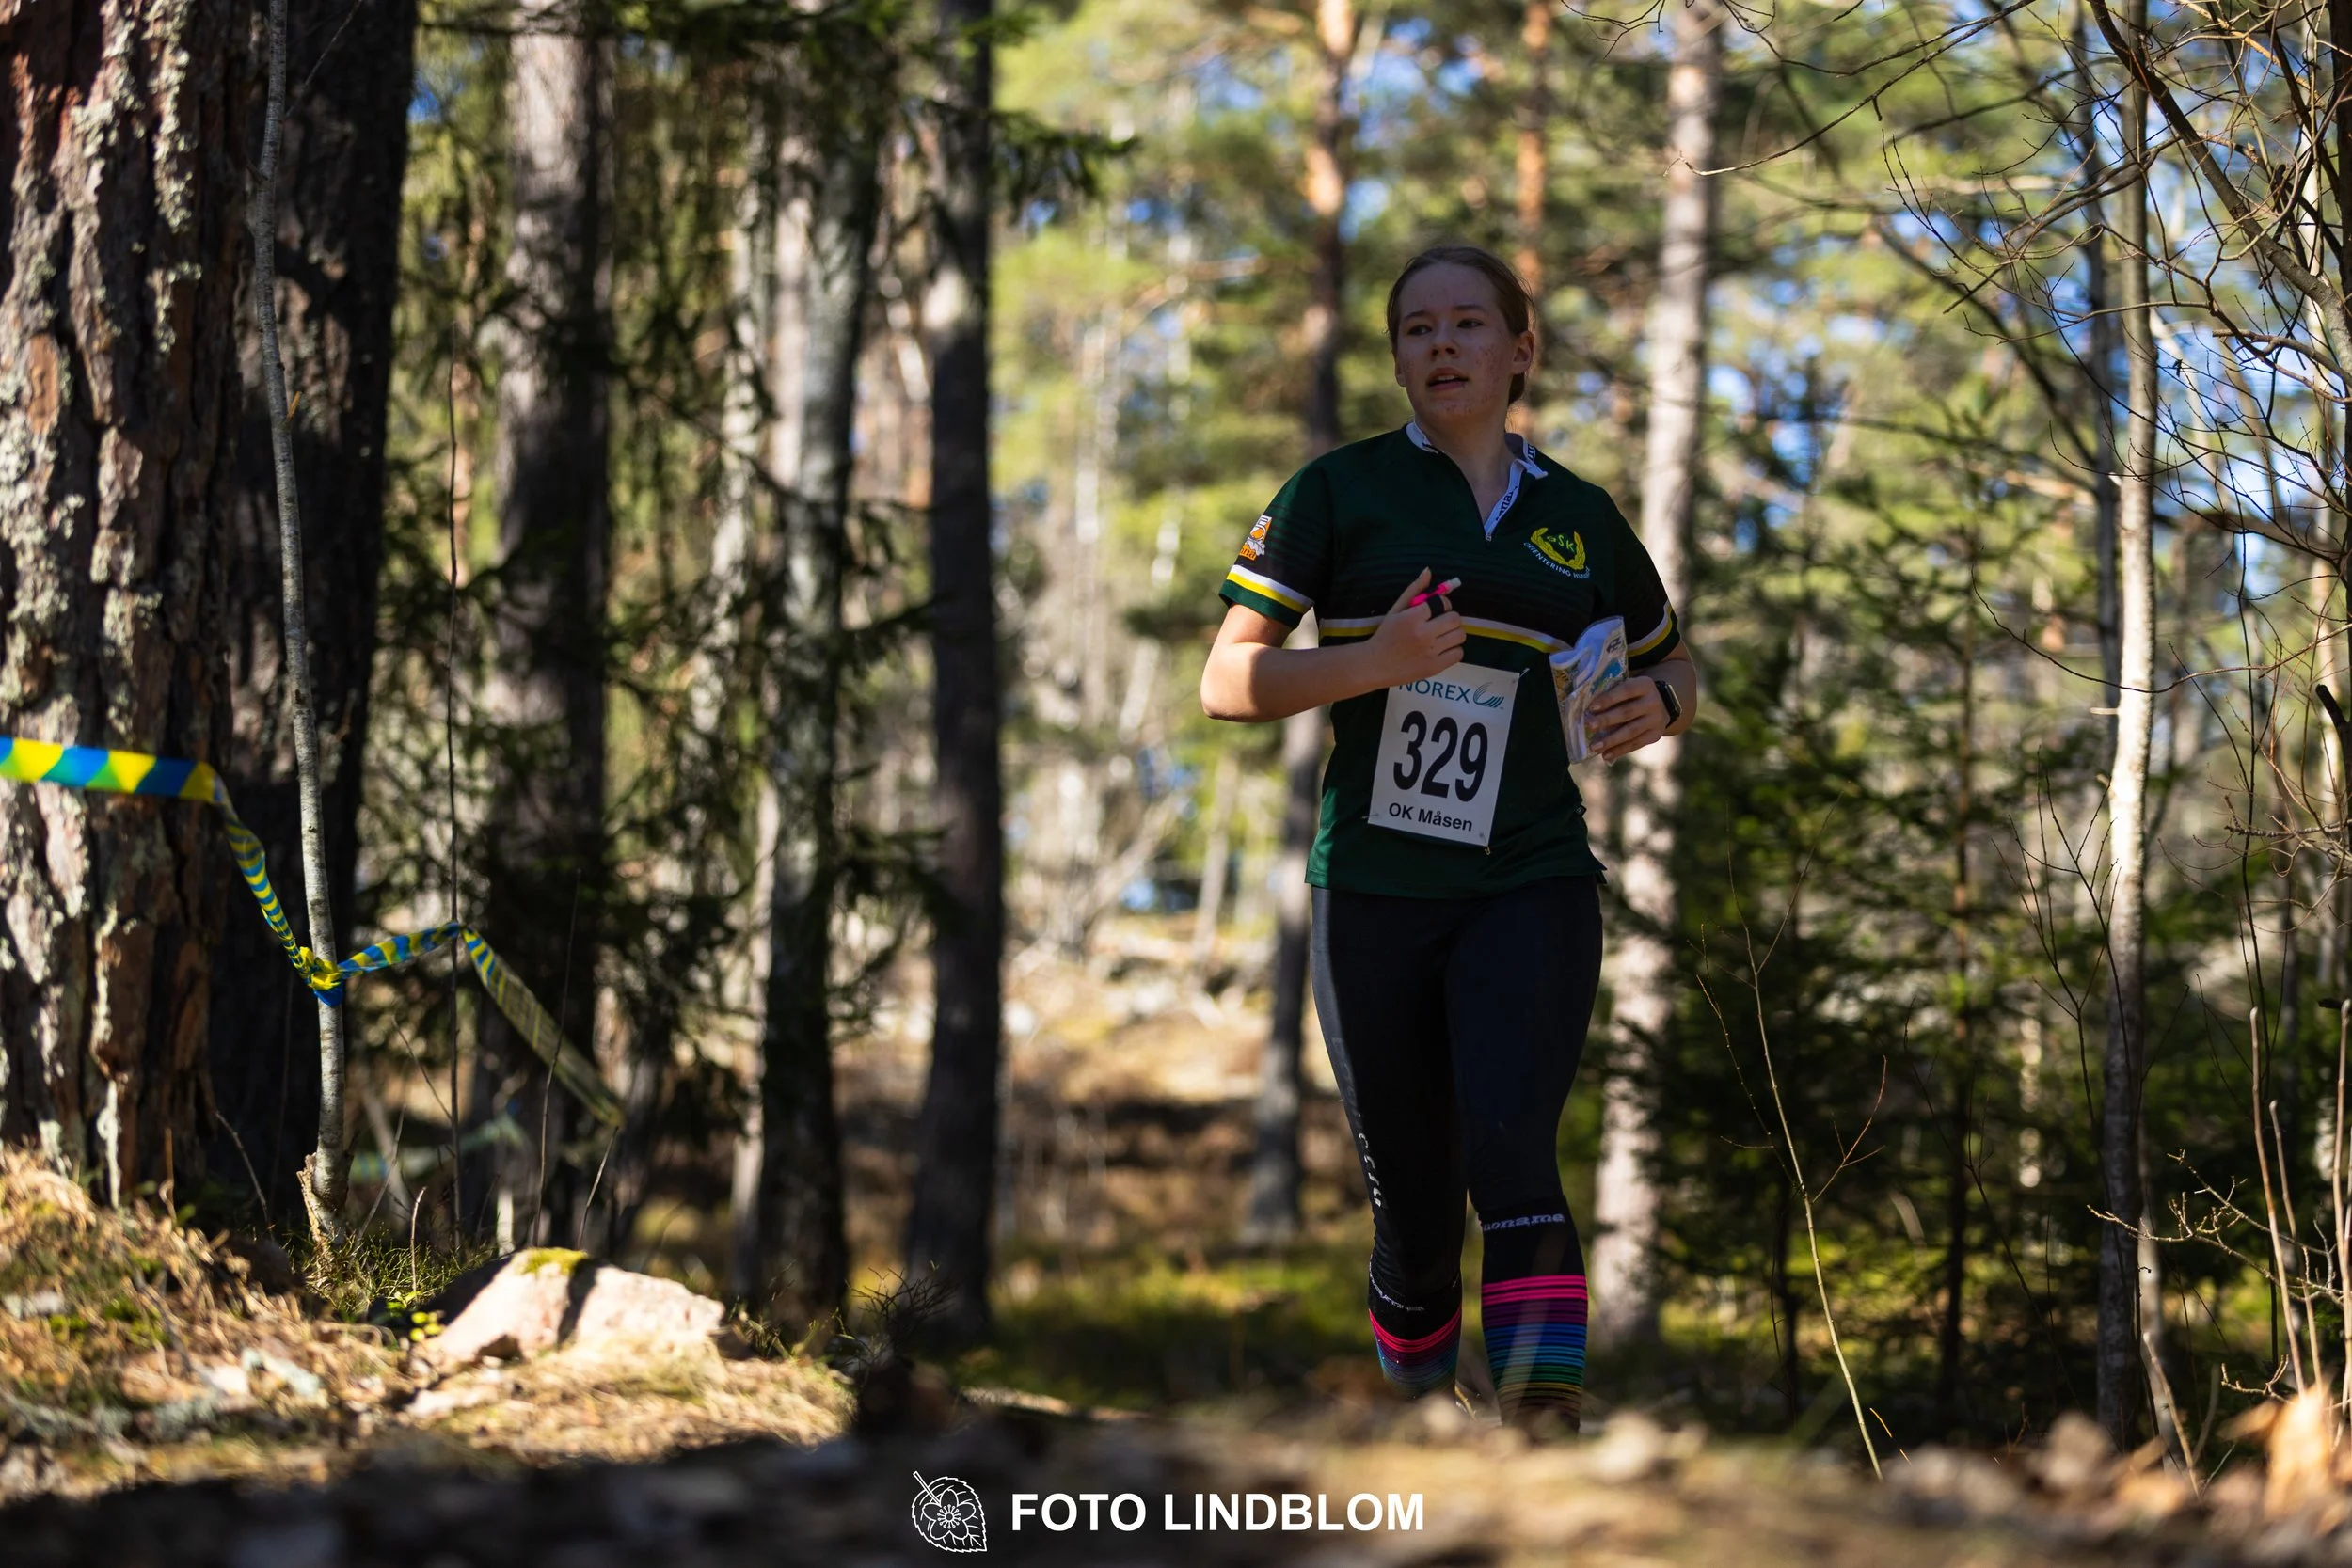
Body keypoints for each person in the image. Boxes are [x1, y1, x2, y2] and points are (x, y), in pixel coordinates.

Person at [1199, 244, 1698, 1433]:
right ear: (1396, 359)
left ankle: (1540, 1437)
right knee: (1417, 1216)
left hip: (1528, 877)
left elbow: (1670, 651)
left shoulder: (1578, 517)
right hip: (1372, 890)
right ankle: (1424, 1435)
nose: (1441, 346)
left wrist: (1667, 700)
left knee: (1515, 1154)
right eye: (1416, 329)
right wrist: (1373, 661)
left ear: (1520, 350)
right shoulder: (1337, 491)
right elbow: (1226, 682)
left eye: (1468, 324)